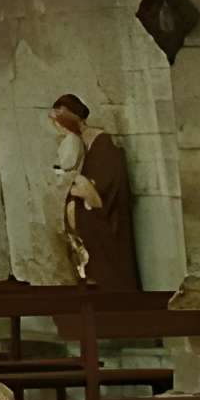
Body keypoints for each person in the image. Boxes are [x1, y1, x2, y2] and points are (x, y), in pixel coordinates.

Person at [52, 94, 139, 291]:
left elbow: (104, 190)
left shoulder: (103, 146)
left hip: (105, 222)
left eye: (62, 124)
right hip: (90, 224)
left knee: (109, 275)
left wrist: (81, 188)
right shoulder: (81, 144)